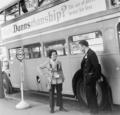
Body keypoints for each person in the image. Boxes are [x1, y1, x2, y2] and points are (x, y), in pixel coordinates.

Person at [79, 40, 101, 114]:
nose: (80, 49)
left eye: (80, 47)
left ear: (83, 46)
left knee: (92, 96)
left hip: (90, 79)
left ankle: (94, 112)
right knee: (89, 96)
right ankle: (93, 111)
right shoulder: (87, 54)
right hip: (87, 79)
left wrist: (94, 77)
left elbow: (97, 67)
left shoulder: (91, 54)